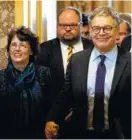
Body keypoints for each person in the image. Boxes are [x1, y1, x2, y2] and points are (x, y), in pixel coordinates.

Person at [45, 6, 131, 139]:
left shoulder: (129, 62)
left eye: (107, 28)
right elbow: (65, 94)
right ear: (90, 30)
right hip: (80, 134)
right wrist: (51, 119)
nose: (101, 33)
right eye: (96, 28)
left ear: (117, 30)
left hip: (119, 134)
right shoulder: (77, 60)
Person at [36, 6, 93, 138]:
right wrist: (50, 118)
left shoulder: (93, 48)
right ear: (57, 26)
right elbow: (39, 90)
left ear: (80, 25)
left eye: (72, 25)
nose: (67, 29)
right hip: (52, 122)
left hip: (87, 120)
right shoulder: (43, 50)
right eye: (63, 25)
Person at [0, 26, 51, 139]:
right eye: (13, 45)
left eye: (22, 45)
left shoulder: (44, 74)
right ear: (8, 49)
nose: (17, 49)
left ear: (32, 51)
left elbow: (51, 107)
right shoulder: (1, 77)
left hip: (39, 135)